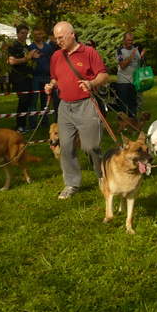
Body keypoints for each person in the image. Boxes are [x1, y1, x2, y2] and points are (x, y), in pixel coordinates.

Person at [45, 21, 108, 199]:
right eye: (56, 38)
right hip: (64, 106)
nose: (58, 41)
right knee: (66, 147)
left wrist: (91, 83)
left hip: (86, 104)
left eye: (61, 37)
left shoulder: (89, 52)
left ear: (72, 34)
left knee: (91, 146)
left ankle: (101, 175)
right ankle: (71, 183)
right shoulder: (56, 56)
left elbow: (104, 75)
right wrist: (50, 85)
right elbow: (55, 78)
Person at [7, 24, 36, 133]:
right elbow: (12, 61)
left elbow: (29, 60)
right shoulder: (13, 46)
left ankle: (23, 125)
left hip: (28, 77)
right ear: (17, 33)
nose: (24, 35)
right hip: (18, 77)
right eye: (22, 33)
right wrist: (27, 58)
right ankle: (19, 126)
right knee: (23, 101)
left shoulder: (27, 47)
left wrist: (33, 58)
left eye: (26, 33)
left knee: (27, 101)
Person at [28, 25, 59, 126]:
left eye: (40, 34)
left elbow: (53, 61)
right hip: (35, 77)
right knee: (34, 100)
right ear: (33, 36)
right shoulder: (30, 47)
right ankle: (33, 123)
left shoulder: (48, 47)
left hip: (47, 76)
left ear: (43, 35)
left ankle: (44, 122)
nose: (38, 36)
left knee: (45, 101)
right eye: (36, 34)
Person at [115, 32, 145, 118]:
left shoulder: (136, 49)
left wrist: (142, 56)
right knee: (123, 106)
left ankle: (133, 125)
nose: (130, 42)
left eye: (132, 40)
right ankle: (123, 126)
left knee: (133, 105)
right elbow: (122, 66)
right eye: (128, 40)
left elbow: (138, 63)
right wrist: (131, 56)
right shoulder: (119, 51)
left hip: (135, 81)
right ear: (124, 40)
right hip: (123, 82)